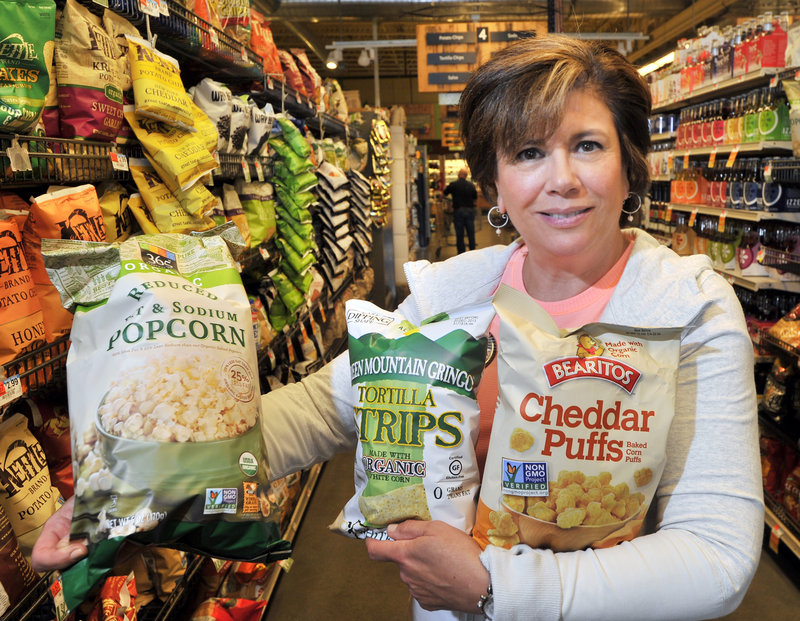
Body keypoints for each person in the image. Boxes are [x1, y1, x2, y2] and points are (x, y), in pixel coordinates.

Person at [33, 35, 763, 621]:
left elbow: (716, 557)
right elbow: (322, 409)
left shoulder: (687, 307)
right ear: (496, 183)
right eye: (529, 153)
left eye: (588, 145)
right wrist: (126, 488)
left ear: (631, 167)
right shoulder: (456, 297)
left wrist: (494, 587)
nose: (561, 178)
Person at [443, 167, 478, 253]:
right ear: (466, 176)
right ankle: (472, 252)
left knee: (459, 233)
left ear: (459, 175)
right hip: (469, 211)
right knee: (471, 233)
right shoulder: (471, 185)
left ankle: (461, 253)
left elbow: (445, 193)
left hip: (458, 211)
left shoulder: (453, 184)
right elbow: (475, 197)